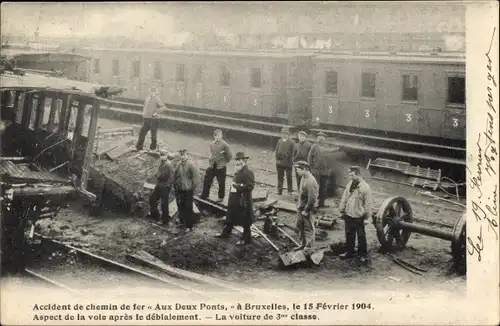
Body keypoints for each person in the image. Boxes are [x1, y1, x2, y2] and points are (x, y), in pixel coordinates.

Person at [215, 152, 255, 245]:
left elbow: (250, 187)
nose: (238, 162)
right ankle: (226, 233)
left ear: (244, 160)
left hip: (243, 200)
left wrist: (238, 186)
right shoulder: (238, 169)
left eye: (240, 160)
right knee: (230, 215)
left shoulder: (248, 172)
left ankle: (246, 239)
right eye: (237, 160)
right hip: (234, 198)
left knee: (245, 221)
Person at [338, 166, 373, 263]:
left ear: (358, 174)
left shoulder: (365, 187)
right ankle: (349, 252)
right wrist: (341, 210)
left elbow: (368, 204)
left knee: (361, 236)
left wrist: (367, 217)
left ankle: (362, 255)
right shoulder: (350, 184)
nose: (350, 177)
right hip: (349, 214)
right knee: (349, 234)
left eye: (352, 175)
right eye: (350, 175)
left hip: (359, 216)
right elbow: (344, 197)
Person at [200, 129, 233, 203]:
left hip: (221, 167)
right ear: (214, 136)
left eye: (219, 135)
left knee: (221, 182)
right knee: (207, 180)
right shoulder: (212, 144)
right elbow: (211, 152)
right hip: (213, 165)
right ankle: (205, 194)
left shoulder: (225, 145)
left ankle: (220, 197)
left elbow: (230, 155)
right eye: (216, 135)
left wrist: (224, 162)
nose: (217, 137)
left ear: (221, 136)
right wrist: (211, 159)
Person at [173, 149, 201, 233]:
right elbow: (175, 175)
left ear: (187, 155)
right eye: (181, 155)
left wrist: (191, 188)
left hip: (188, 190)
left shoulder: (191, 165)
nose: (182, 156)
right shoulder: (178, 164)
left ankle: (189, 226)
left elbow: (197, 178)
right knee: (180, 205)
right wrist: (175, 185)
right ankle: (181, 220)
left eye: (184, 155)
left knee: (188, 207)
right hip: (180, 189)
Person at [294, 161, 319, 249]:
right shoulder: (303, 177)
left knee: (308, 229)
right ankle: (302, 244)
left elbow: (312, 198)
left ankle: (309, 248)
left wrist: (306, 210)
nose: (297, 171)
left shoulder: (311, 181)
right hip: (301, 207)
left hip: (307, 209)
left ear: (305, 169)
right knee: (300, 225)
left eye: (298, 170)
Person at [136, 87, 167, 151]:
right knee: (142, 133)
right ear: (149, 91)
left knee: (153, 135)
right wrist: (144, 113)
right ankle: (139, 147)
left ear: (155, 92)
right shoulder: (147, 98)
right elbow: (145, 106)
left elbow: (163, 107)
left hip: (154, 120)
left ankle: (153, 149)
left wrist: (156, 112)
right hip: (146, 119)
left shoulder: (156, 98)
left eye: (153, 92)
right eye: (151, 91)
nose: (152, 93)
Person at [149, 153, 175, 225]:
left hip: (165, 186)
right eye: (161, 155)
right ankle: (156, 216)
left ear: (166, 156)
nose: (162, 157)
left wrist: (167, 186)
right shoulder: (162, 163)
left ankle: (165, 220)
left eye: (163, 155)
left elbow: (171, 177)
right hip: (159, 184)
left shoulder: (169, 164)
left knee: (164, 203)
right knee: (152, 198)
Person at [308, 131, 329, 208]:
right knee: (315, 187)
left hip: (324, 171)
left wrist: (328, 167)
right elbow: (309, 157)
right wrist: (311, 167)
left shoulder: (327, 146)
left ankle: (321, 204)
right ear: (317, 138)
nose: (321, 138)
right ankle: (313, 203)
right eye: (319, 137)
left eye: (322, 137)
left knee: (323, 188)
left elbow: (330, 158)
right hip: (316, 170)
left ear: (325, 139)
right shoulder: (314, 146)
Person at [275, 126, 295, 196]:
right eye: (283, 133)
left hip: (288, 163)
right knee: (280, 177)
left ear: (288, 134)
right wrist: (277, 159)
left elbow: (293, 153)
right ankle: (279, 191)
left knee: (289, 177)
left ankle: (290, 191)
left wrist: (291, 161)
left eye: (286, 133)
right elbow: (277, 150)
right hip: (280, 162)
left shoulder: (291, 142)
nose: (284, 135)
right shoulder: (279, 141)